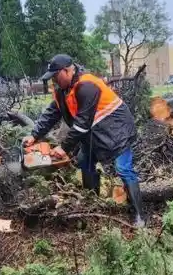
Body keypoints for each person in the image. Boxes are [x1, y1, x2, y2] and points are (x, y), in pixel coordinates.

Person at [25, 54, 144, 228]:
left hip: (118, 130)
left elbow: (82, 123)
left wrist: (64, 147)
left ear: (67, 71)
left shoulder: (87, 85)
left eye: (56, 77)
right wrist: (34, 135)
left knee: (123, 168)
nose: (54, 82)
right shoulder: (62, 91)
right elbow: (51, 114)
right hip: (95, 133)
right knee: (84, 161)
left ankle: (139, 216)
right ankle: (92, 203)